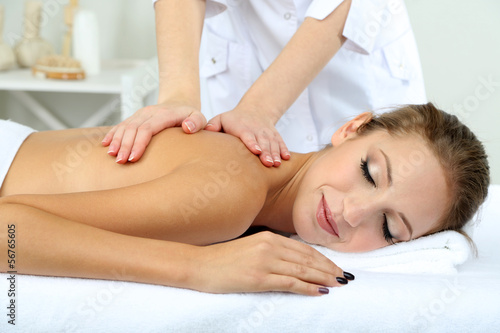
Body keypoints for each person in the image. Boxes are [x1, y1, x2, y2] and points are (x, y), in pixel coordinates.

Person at [0, 103, 489, 296]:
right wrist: (195, 268)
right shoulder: (232, 193)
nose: (352, 212)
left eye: (389, 229)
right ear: (351, 128)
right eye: (368, 172)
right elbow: (9, 232)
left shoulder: (254, 194)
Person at [101, 0, 427, 167]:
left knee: (366, 198)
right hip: (240, 60)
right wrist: (177, 94)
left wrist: (259, 108)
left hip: (352, 63)